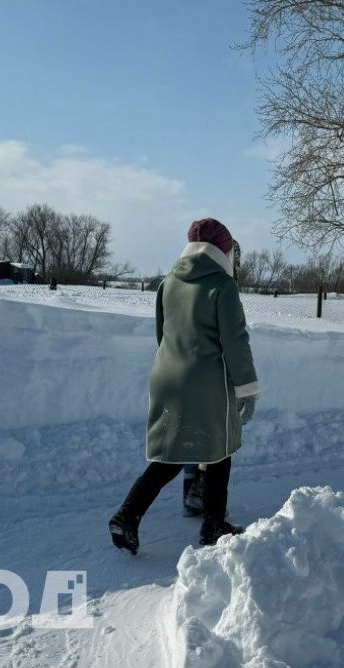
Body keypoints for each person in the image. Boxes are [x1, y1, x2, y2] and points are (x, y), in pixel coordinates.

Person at [109, 218, 259, 554]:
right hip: (206, 381)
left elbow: (162, 334)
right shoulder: (222, 285)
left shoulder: (169, 282)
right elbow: (235, 341)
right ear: (223, 250)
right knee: (220, 451)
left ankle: (126, 515)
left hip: (166, 375)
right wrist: (247, 388)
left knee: (172, 454)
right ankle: (213, 525)